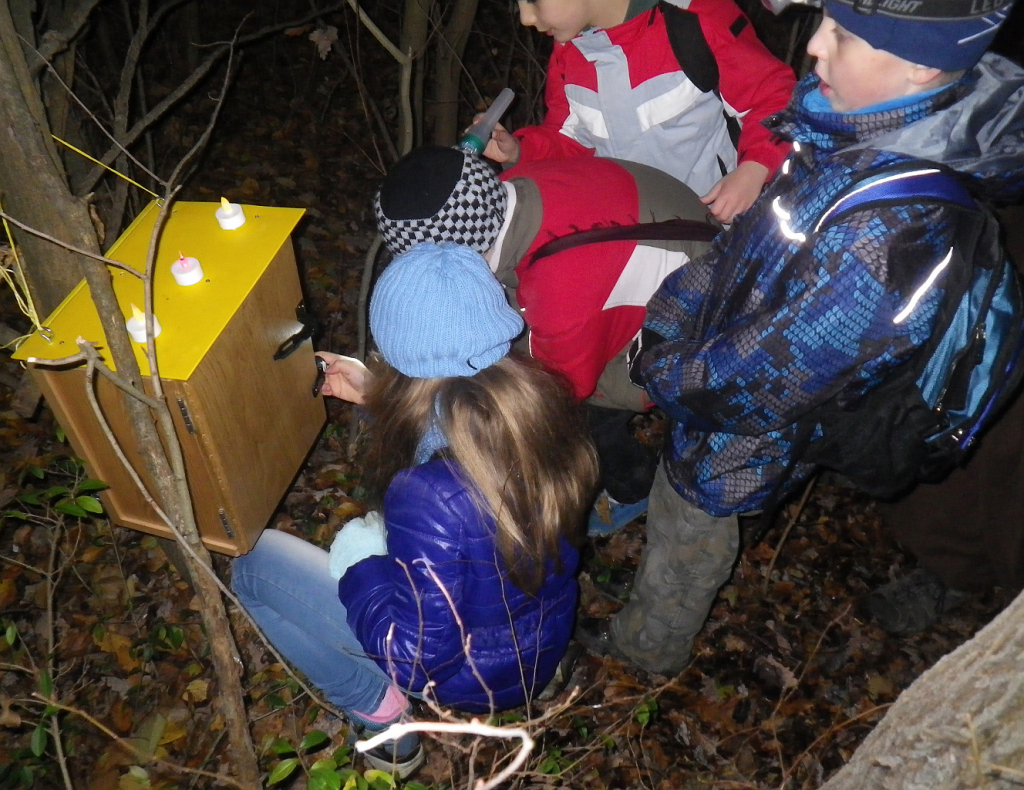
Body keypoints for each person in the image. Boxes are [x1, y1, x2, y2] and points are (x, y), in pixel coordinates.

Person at [596, 0, 1023, 674]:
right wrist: (674, 313)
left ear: (917, 65)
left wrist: (668, 370)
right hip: (720, 370)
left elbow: (771, 378)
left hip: (745, 429)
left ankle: (640, 655)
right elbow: (752, 239)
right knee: (691, 510)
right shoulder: (843, 133)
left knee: (689, 524)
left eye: (843, 34)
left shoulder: (894, 232)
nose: (815, 46)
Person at [231, 242, 599, 776]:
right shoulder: (540, 408)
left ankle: (384, 723)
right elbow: (456, 422)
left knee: (252, 568)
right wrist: (379, 394)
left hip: (467, 677)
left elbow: (414, 654)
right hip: (532, 643)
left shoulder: (431, 494)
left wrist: (363, 562)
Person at [373, 145, 716, 530]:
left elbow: (562, 391)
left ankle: (631, 485)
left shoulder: (560, 287)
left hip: (697, 331)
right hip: (658, 241)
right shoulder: (507, 192)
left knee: (571, 412)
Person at [482, 0, 796, 223]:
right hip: (629, 234)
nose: (525, 18)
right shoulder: (569, 55)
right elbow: (570, 143)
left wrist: (754, 169)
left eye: (533, 1)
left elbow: (773, 96)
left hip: (716, 226)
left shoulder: (694, 19)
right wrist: (520, 150)